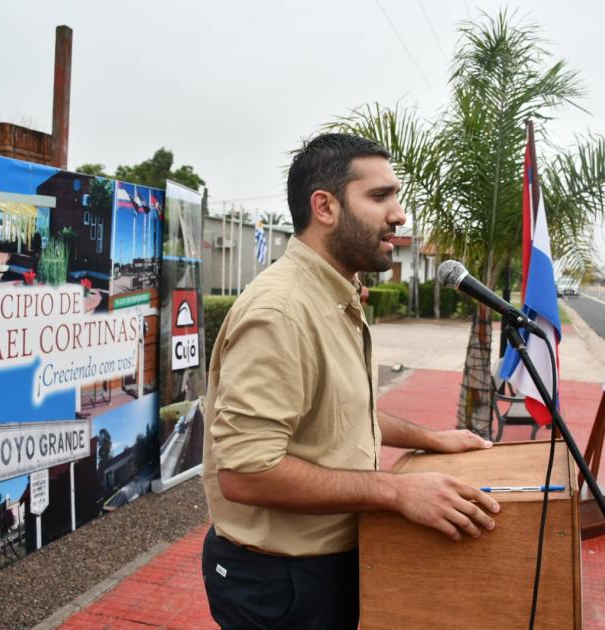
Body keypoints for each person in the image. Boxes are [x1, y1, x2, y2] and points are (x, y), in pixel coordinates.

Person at [201, 133, 499, 629]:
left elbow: (336, 413)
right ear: (325, 207)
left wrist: (429, 440)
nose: (400, 214)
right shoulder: (282, 312)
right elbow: (247, 473)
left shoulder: (334, 294)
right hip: (281, 585)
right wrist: (397, 492)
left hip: (319, 568)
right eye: (380, 197)